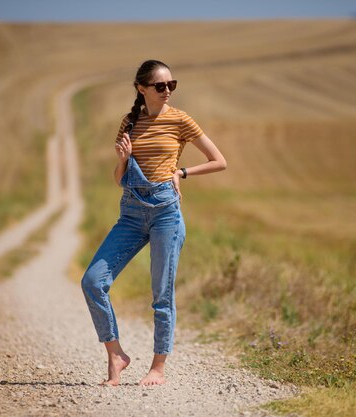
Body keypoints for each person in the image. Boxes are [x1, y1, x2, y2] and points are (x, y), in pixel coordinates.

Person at [80, 59, 227, 387]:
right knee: (92, 281)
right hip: (131, 213)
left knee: (161, 293)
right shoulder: (129, 123)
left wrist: (182, 172)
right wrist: (122, 160)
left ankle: (158, 367)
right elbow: (120, 180)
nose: (167, 92)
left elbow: (220, 161)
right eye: (160, 86)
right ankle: (116, 354)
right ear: (141, 89)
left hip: (165, 214)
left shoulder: (180, 120)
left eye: (171, 85)